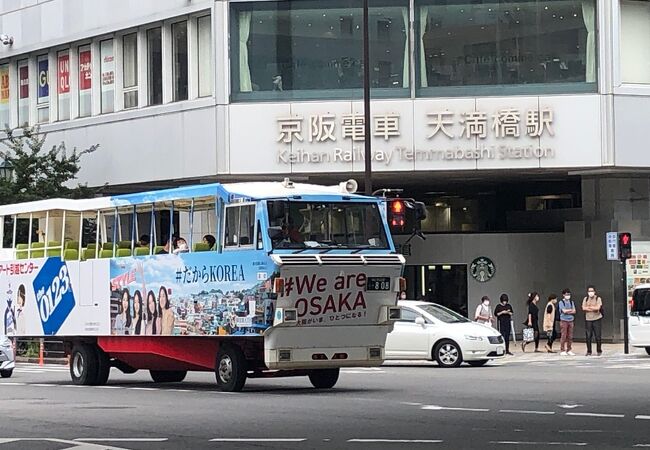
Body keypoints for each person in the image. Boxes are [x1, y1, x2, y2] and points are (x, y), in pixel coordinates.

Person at [582, 285, 603, 356]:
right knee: (588, 336)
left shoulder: (598, 298)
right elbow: (583, 308)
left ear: (594, 291)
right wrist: (592, 308)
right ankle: (589, 351)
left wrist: (589, 307)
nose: (590, 292)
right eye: (589, 291)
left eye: (592, 291)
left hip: (597, 319)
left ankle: (599, 350)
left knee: (598, 336)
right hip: (588, 319)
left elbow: (597, 308)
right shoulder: (585, 299)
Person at [558, 288, 576, 356]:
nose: (568, 296)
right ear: (563, 295)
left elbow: (574, 311)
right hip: (564, 320)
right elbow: (563, 311)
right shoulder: (561, 302)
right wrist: (570, 310)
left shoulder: (572, 302)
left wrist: (567, 311)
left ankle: (569, 349)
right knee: (564, 335)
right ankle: (562, 349)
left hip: (571, 320)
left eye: (569, 294)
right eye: (566, 294)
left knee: (570, 336)